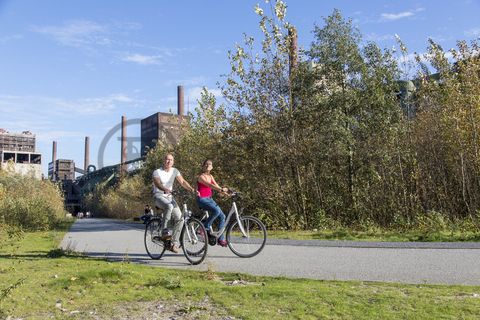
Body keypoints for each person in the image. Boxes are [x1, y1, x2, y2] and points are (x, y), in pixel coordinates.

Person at [152, 153, 196, 253]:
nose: (169, 161)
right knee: (169, 206)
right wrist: (165, 189)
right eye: (167, 159)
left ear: (173, 161)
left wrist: (192, 189)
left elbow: (183, 182)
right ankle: (164, 231)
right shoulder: (157, 172)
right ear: (164, 160)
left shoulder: (175, 171)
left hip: (170, 197)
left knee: (180, 218)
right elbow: (157, 183)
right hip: (159, 196)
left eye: (171, 160)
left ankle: (173, 243)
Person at [196, 159, 229, 247]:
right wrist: (221, 189)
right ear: (203, 166)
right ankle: (204, 227)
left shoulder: (211, 176)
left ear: (212, 167)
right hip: (202, 200)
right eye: (206, 164)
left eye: (209, 164)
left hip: (210, 199)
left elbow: (217, 186)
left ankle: (221, 239)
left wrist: (226, 193)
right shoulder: (201, 177)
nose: (207, 166)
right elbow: (210, 185)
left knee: (223, 216)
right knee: (216, 211)